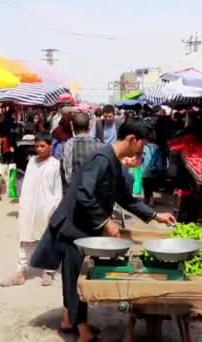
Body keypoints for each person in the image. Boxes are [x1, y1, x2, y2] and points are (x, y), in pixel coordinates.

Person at [30, 120, 177, 342]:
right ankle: (82, 333)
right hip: (74, 226)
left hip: (84, 226)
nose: (141, 150)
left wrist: (155, 216)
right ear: (131, 139)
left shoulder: (114, 163)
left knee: (74, 276)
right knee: (75, 278)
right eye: (142, 145)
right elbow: (84, 195)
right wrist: (106, 222)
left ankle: (69, 320)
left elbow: (126, 199)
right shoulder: (102, 159)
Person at [0, 131, 62, 287]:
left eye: (43, 146)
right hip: (29, 206)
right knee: (25, 238)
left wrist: (54, 210)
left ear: (50, 146)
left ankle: (47, 270)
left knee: (46, 239)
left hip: (47, 208)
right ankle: (20, 272)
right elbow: (26, 186)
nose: (40, 149)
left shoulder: (55, 164)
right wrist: (23, 206)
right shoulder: (31, 162)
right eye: (37, 146)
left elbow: (57, 191)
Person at [61, 112, 102, 191]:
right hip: (94, 191)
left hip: (75, 192)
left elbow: (67, 173)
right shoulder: (99, 145)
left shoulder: (68, 145)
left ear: (72, 126)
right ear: (89, 126)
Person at [142, 129, 166, 205]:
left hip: (146, 170)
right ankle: (151, 198)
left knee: (146, 186)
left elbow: (143, 158)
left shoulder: (144, 147)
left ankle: (147, 200)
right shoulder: (157, 147)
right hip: (155, 170)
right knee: (151, 185)